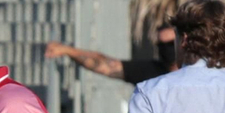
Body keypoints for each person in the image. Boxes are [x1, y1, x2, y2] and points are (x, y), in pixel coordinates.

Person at [45, 23, 177, 85]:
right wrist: (67, 51)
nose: (167, 49)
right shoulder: (152, 71)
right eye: (162, 45)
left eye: (171, 44)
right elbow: (106, 66)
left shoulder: (189, 72)